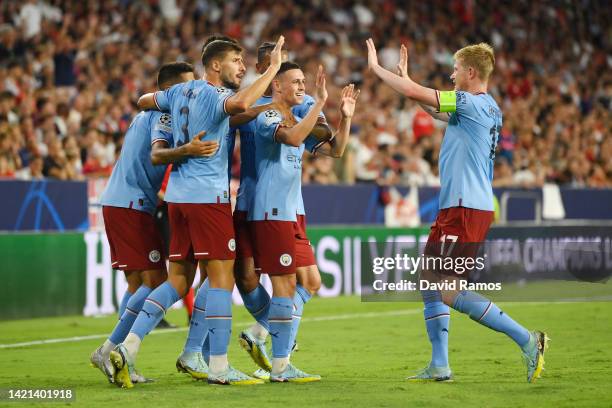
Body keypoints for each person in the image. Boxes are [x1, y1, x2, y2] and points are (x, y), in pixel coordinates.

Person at [366, 39, 548, 383]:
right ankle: (439, 365)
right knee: (428, 280)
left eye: (454, 69)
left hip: (465, 208)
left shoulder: (470, 102)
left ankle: (527, 339)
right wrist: (407, 85)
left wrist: (378, 70)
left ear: (470, 72)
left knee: (449, 290)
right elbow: (429, 106)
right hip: (459, 206)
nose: (450, 75)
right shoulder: (487, 106)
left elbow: (425, 95)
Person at [109, 36, 286, 387]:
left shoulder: (177, 94)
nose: (242, 67)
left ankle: (126, 346)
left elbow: (145, 99)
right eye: (237, 60)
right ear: (216, 65)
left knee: (178, 280)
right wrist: (276, 69)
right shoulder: (216, 95)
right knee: (220, 279)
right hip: (208, 200)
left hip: (177, 200)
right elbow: (240, 102)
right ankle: (218, 366)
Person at [89, 62, 217, 384]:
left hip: (121, 202)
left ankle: (116, 356)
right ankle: (111, 350)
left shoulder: (145, 115)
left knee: (138, 286)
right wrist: (190, 150)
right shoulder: (162, 116)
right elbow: (157, 156)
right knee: (157, 280)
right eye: (186, 87)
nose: (191, 94)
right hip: (131, 205)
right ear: (170, 92)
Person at [251, 61, 358, 382]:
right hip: (271, 212)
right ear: (277, 87)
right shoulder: (266, 116)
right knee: (285, 286)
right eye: (295, 82)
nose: (302, 87)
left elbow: (336, 150)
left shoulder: (299, 117)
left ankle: (263, 338)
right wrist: (321, 105)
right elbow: (294, 138)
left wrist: (346, 117)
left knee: (309, 282)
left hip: (289, 213)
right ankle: (279, 366)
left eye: (304, 82)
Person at [230, 42, 332, 378]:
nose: (285, 70)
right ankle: (271, 344)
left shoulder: (294, 104)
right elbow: (240, 117)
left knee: (305, 281)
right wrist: (300, 107)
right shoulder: (250, 103)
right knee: (246, 277)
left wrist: (318, 110)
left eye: (285, 64)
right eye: (275, 64)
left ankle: (267, 336)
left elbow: (325, 136)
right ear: (265, 69)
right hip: (256, 200)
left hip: (287, 204)